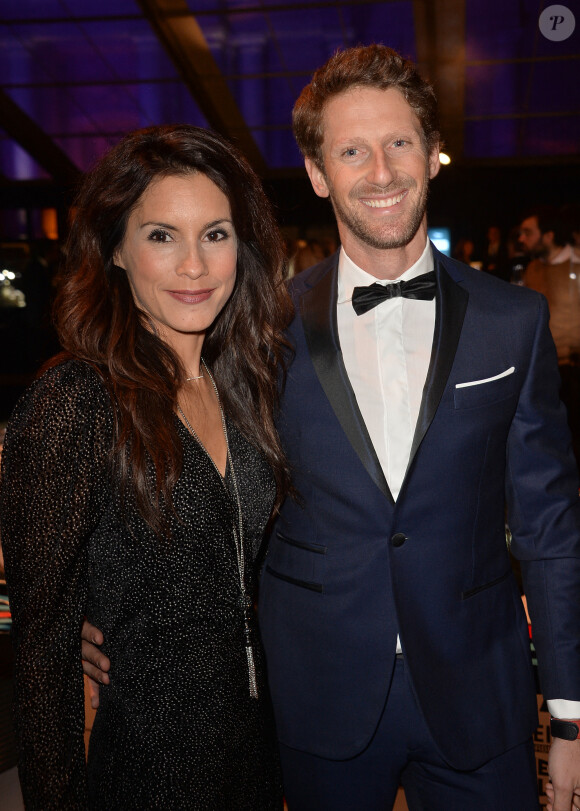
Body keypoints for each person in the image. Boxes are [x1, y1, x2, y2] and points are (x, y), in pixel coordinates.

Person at [83, 47, 580, 811]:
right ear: (319, 173)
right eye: (352, 150)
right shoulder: (256, 325)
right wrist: (101, 607)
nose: (380, 171)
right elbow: (193, 475)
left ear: (432, 154)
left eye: (399, 143)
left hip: (480, 692)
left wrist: (571, 712)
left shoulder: (514, 321)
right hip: (317, 688)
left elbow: (550, 524)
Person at [0, 124, 292, 809]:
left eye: (215, 234)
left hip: (255, 756)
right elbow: (41, 651)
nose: (194, 265)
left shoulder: (246, 384)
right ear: (118, 252)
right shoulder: (76, 398)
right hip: (146, 769)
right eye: (162, 235)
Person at [519, 206, 580, 471]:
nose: (522, 239)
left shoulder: (577, 264)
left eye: (528, 233)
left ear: (549, 236)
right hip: (543, 369)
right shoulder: (532, 268)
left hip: (574, 370)